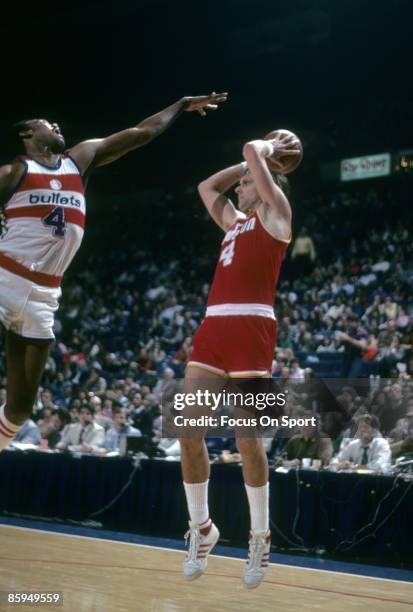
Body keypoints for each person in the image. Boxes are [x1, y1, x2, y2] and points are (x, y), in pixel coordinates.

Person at [0, 91, 227, 450]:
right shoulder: (14, 172)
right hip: (5, 279)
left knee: (19, 408)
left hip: (45, 295)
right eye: (45, 122)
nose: (55, 124)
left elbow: (141, 133)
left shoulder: (80, 159)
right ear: (26, 135)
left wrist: (180, 105)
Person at [178, 131, 301, 588]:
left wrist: (264, 156)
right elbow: (206, 188)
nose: (238, 188)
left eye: (246, 184)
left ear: (266, 185)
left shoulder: (276, 216)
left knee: (248, 439)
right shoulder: (234, 222)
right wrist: (245, 167)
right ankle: (202, 529)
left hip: (252, 327)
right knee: (188, 429)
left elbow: (253, 150)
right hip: (214, 326)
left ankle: (260, 536)